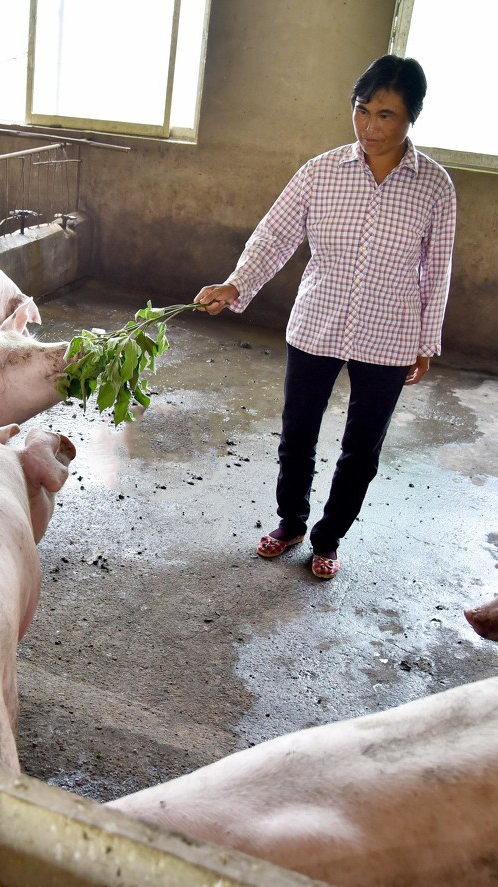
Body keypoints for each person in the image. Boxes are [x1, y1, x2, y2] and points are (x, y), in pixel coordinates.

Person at [194, 54, 456, 580]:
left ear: (411, 118)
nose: (370, 126)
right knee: (298, 433)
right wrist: (236, 284)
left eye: (386, 115)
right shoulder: (320, 172)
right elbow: (274, 236)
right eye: (362, 110)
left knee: (362, 449)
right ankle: (291, 521)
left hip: (390, 335)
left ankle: (329, 537)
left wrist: (426, 342)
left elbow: (438, 269)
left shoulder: (435, 186)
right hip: (317, 323)